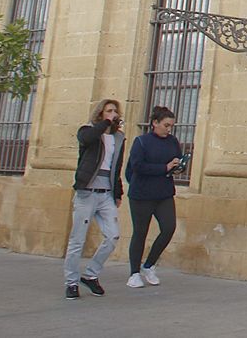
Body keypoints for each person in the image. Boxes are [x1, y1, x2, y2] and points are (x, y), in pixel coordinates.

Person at [63, 98, 125, 299]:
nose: (113, 113)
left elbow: (116, 166)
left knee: (113, 235)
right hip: (87, 192)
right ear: (100, 113)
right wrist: (105, 124)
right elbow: (86, 140)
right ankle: (71, 282)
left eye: (115, 111)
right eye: (109, 110)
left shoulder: (118, 138)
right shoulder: (88, 131)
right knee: (77, 239)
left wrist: (117, 192)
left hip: (105, 193)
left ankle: (91, 274)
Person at [124, 105, 185, 288]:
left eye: (171, 126)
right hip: (142, 194)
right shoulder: (141, 142)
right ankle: (134, 273)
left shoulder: (173, 141)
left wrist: (177, 167)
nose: (168, 129)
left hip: (164, 193)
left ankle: (149, 264)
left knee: (169, 228)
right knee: (140, 232)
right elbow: (137, 166)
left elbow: (176, 159)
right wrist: (163, 168)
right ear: (154, 123)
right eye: (166, 125)